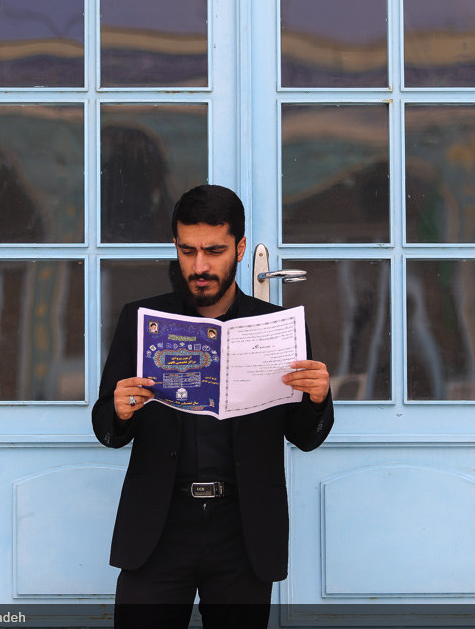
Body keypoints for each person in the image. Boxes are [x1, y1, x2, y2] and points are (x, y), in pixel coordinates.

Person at [92, 184, 334, 628]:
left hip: (243, 530)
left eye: (214, 251)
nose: (199, 266)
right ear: (176, 246)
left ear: (239, 248)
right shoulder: (141, 320)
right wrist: (120, 410)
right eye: (188, 251)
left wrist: (317, 399)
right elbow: (106, 428)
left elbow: (304, 436)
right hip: (159, 526)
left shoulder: (276, 327)